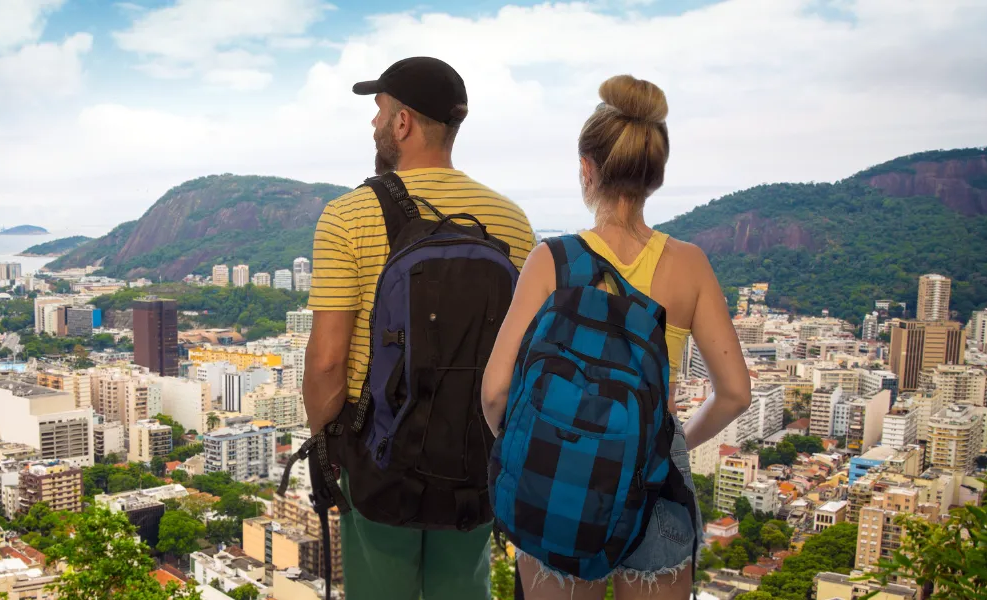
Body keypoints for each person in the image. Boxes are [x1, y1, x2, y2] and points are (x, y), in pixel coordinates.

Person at [478, 75, 752, 600]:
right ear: (655, 177)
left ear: (587, 169)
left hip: (558, 474)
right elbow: (735, 392)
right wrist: (671, 444)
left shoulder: (550, 260)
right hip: (654, 485)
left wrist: (532, 446)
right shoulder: (690, 265)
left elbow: (494, 391)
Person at [304, 56, 534, 600]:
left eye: (379, 110)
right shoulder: (511, 221)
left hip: (380, 453)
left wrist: (324, 444)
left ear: (402, 122)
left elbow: (328, 360)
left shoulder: (348, 215)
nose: (374, 123)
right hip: (476, 452)